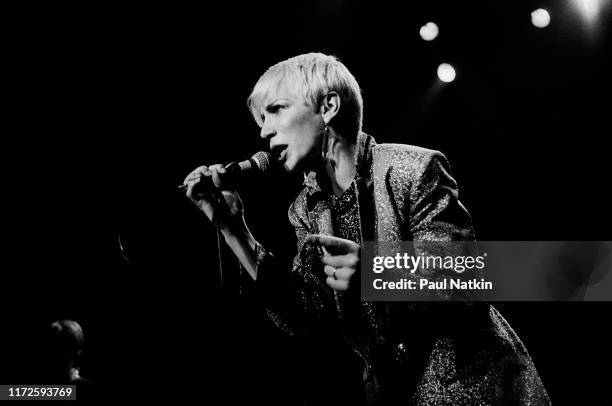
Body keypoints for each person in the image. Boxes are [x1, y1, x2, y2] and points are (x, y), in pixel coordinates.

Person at [183, 53, 550, 405]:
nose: (264, 131)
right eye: (261, 119)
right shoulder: (305, 209)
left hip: (474, 388)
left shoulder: (414, 168)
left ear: (328, 107)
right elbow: (302, 317)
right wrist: (235, 231)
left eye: (275, 110)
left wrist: (377, 271)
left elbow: (467, 285)